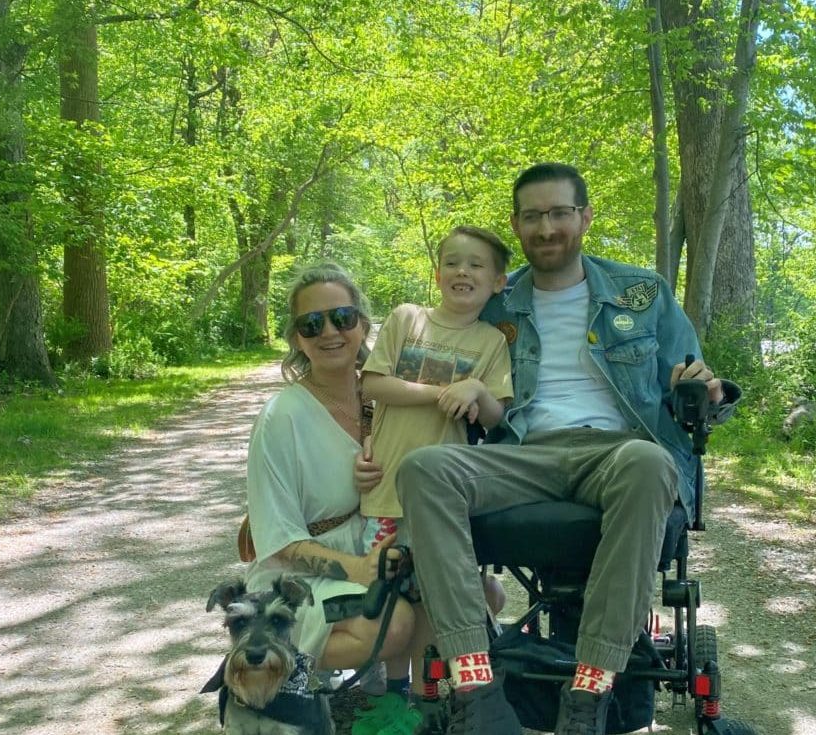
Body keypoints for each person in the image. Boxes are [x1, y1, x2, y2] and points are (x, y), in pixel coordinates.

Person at [359, 163, 738, 735]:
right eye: (532, 216)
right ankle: (476, 685)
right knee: (425, 469)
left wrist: (707, 390)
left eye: (560, 213)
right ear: (516, 225)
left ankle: (591, 689)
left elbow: (694, 381)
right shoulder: (494, 301)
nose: (546, 227)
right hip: (521, 453)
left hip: (619, 453)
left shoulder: (642, 294)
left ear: (585, 217)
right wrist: (363, 439)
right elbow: (411, 361)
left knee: (649, 461)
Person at [244, 262, 415, 698]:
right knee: (395, 624)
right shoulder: (281, 417)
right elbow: (278, 542)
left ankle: (400, 688)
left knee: (486, 595)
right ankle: (276, 656)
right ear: (296, 338)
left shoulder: (386, 396)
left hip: (380, 548)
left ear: (362, 325)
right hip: (298, 576)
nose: (329, 332)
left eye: (342, 317)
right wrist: (358, 569)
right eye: (311, 323)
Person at [359, 225, 514, 553]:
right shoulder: (406, 319)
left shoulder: (493, 341)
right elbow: (372, 384)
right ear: (438, 275)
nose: (462, 271)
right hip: (386, 492)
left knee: (442, 578)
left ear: (498, 282)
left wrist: (476, 389)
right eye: (452, 263)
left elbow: (495, 417)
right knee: (382, 579)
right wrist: (444, 393)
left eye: (476, 265)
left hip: (446, 496)